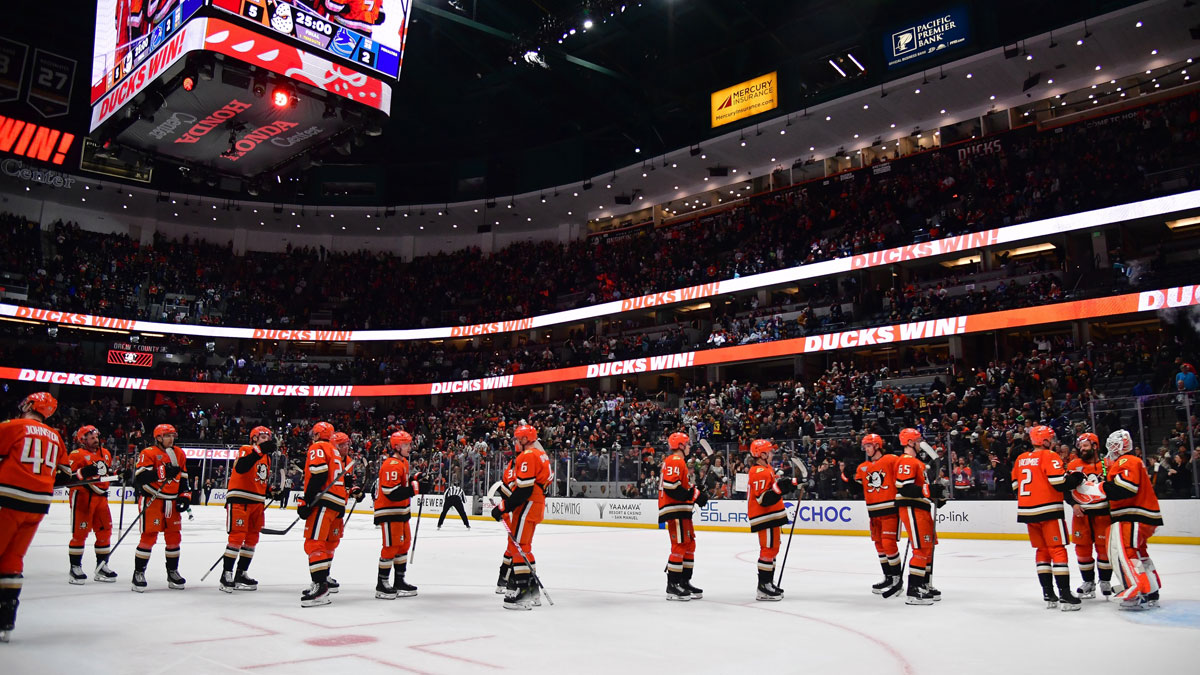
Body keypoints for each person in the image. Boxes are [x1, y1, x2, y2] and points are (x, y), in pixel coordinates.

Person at [0, 393, 68, 642]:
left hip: (8, 498)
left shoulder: (13, 426)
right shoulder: (57, 437)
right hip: (38, 504)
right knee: (13, 557)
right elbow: (64, 475)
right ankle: (6, 618)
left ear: (30, 405)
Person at [1013, 425, 1084, 611]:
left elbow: (1015, 487)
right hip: (1049, 510)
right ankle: (1065, 595)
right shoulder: (1049, 456)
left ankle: (1048, 593)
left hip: (1027, 512)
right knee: (1057, 550)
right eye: (1050, 439)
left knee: (1042, 551)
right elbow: (1059, 483)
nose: (1052, 442)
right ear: (1043, 440)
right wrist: (1077, 477)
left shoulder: (1020, 459)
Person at [489, 424, 550, 610]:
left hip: (528, 504)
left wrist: (503, 507)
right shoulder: (541, 454)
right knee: (524, 547)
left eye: (516, 439)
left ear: (524, 439)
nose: (515, 442)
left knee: (519, 548)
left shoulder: (527, 456)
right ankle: (532, 591)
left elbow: (524, 490)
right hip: (536, 504)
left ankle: (523, 593)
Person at [1103, 429, 1165, 610]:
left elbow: (1126, 488)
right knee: (1140, 554)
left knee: (1126, 554)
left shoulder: (1126, 460)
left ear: (1123, 445)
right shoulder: (1132, 461)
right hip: (1143, 516)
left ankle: (1136, 590)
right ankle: (1151, 590)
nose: (1112, 449)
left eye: (1115, 444)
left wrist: (1101, 487)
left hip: (1132, 517)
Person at [297, 422, 353, 607]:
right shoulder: (334, 451)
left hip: (323, 501)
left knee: (314, 543)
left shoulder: (318, 447)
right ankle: (320, 582)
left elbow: (319, 474)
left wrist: (306, 500)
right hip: (335, 502)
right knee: (325, 543)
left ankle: (320, 588)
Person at [131, 424, 191, 592]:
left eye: (173, 435)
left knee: (174, 539)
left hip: (172, 502)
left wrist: (185, 496)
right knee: (149, 536)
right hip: (153, 498)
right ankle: (139, 573)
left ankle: (172, 572)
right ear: (158, 438)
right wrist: (162, 472)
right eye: (167, 436)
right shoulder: (148, 453)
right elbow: (140, 478)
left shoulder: (179, 453)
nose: (171, 439)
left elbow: (184, 478)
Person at [219, 426, 274, 593]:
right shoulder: (246, 449)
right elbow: (241, 467)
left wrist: (270, 490)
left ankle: (241, 573)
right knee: (237, 537)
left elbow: (259, 478)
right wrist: (259, 451)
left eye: (268, 437)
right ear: (254, 438)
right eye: (262, 436)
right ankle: (226, 574)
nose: (266, 439)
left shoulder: (267, 458)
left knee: (251, 539)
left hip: (257, 502)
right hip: (240, 499)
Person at [894, 427, 943, 606]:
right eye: (917, 440)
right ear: (909, 442)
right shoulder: (907, 461)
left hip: (921, 507)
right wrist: (929, 490)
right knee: (921, 548)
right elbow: (904, 487)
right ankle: (914, 590)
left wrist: (935, 495)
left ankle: (922, 583)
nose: (920, 443)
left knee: (927, 547)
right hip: (911, 507)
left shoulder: (918, 463)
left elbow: (921, 489)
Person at [66, 425, 117, 585]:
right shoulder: (76, 455)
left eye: (96, 437)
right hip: (83, 497)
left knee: (105, 532)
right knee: (80, 533)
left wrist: (118, 475)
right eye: (91, 437)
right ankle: (75, 567)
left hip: (101, 498)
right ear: (82, 440)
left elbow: (106, 475)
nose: (96, 439)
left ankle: (102, 566)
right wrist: (85, 472)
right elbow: (68, 478)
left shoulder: (106, 454)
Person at [658, 431, 706, 601]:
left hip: (682, 510)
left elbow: (682, 488)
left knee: (689, 544)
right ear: (680, 446)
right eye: (687, 444)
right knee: (680, 545)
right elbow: (672, 487)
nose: (689, 447)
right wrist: (694, 495)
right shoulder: (675, 460)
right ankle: (673, 585)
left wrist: (696, 492)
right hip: (675, 509)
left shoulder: (680, 462)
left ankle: (684, 582)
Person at [374, 431, 422, 600]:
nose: (410, 447)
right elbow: (391, 492)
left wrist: (417, 478)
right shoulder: (391, 464)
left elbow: (405, 483)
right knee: (391, 546)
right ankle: (382, 583)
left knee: (403, 545)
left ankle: (399, 581)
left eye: (409, 444)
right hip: (389, 513)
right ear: (396, 446)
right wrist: (415, 489)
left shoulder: (403, 463)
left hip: (401, 512)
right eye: (406, 444)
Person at [855, 432, 902, 598]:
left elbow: (904, 473)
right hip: (873, 512)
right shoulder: (862, 467)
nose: (866, 449)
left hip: (890, 510)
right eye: (865, 446)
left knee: (889, 544)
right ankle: (888, 577)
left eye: (869, 446)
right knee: (879, 545)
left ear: (877, 446)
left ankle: (897, 578)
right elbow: (855, 481)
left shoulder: (890, 460)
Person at [1066, 432, 1112, 599]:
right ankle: (1088, 582)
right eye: (1081, 446)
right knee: (1082, 550)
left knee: (1104, 549)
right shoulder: (1073, 465)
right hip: (1081, 515)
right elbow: (1066, 490)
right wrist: (1074, 504)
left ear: (1094, 446)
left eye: (1085, 446)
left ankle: (1105, 581)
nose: (1082, 449)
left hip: (1103, 514)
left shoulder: (1107, 464)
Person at [746, 439, 792, 601]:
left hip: (771, 515)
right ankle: (763, 586)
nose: (772, 454)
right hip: (764, 516)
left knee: (773, 548)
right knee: (768, 549)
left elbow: (773, 491)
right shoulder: (759, 471)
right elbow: (763, 498)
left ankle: (768, 583)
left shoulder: (767, 469)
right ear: (762, 454)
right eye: (770, 452)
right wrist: (781, 488)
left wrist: (790, 484)